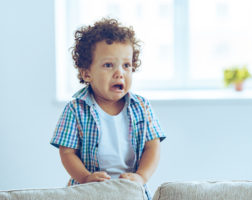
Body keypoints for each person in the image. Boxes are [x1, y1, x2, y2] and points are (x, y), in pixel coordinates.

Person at [50, 18, 166, 199]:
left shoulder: (141, 106)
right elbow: (67, 152)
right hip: (87, 191)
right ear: (87, 73)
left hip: (130, 191)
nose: (119, 72)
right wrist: (85, 177)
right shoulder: (75, 109)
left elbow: (152, 147)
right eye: (108, 65)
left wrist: (141, 176)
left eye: (126, 65)